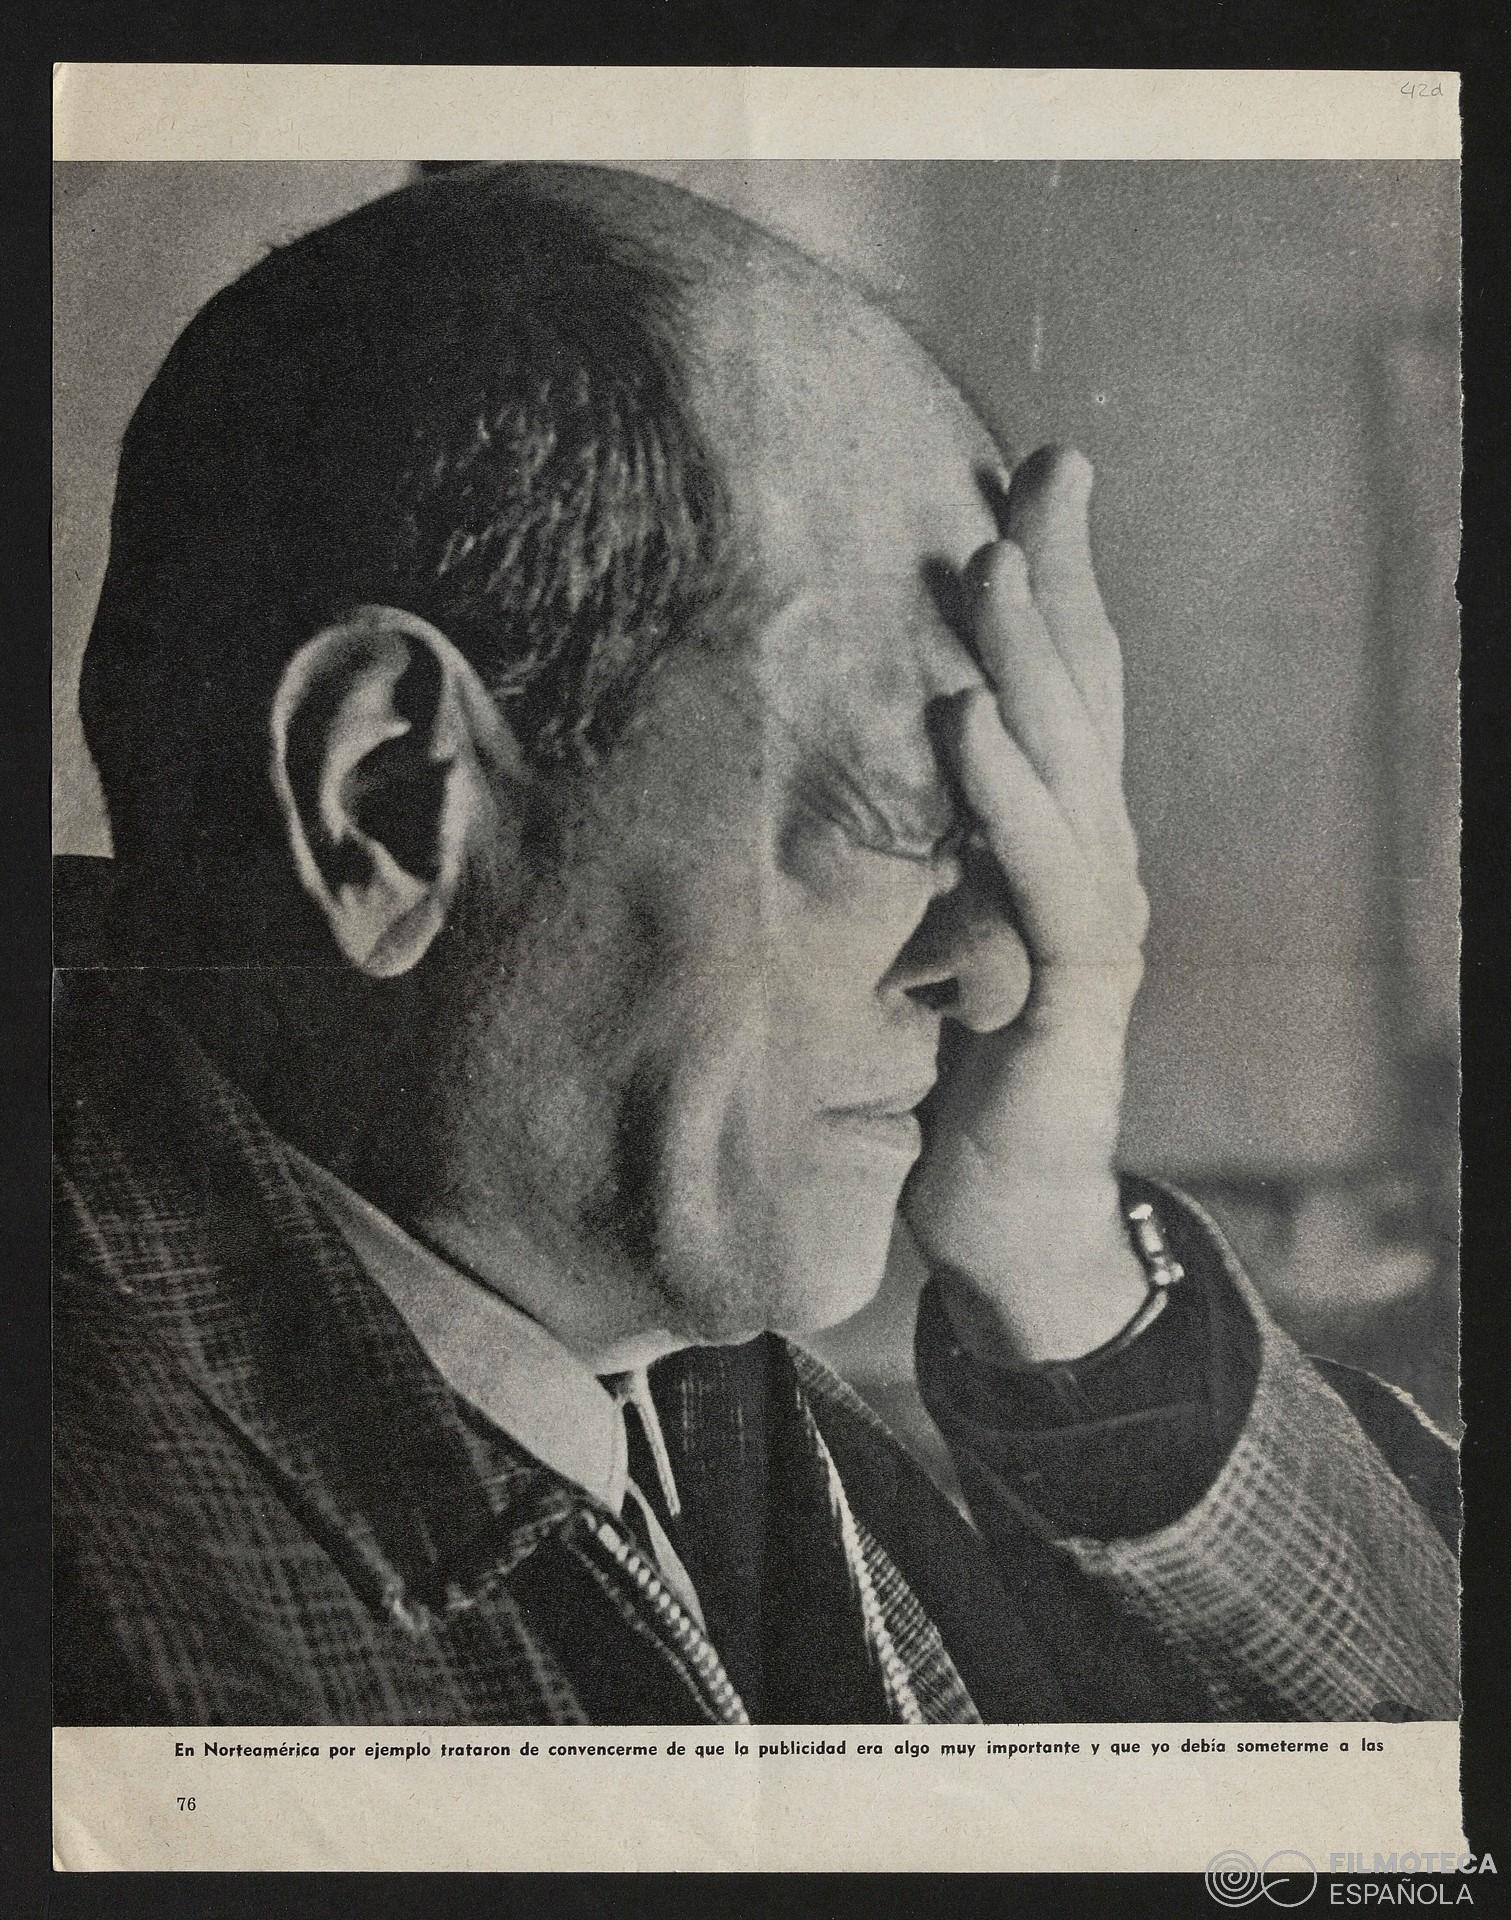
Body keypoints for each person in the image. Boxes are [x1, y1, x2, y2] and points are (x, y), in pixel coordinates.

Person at [53, 163, 1458, 1727]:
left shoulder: (676, 1362)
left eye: (1013, 828)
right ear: (387, 800)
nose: (1004, 977)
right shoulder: (105, 1632)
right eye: (906, 809)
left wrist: (1056, 1255)